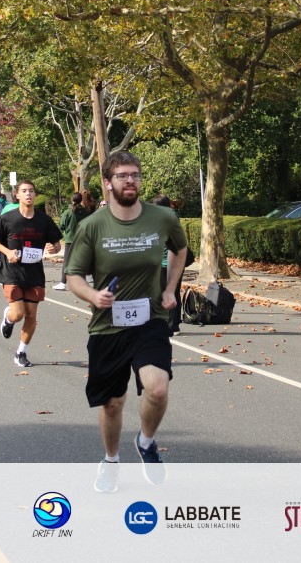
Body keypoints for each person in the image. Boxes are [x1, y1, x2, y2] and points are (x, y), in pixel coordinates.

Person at [65, 151, 188, 493]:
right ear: (108, 183)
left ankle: (146, 442)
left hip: (150, 319)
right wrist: (93, 296)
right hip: (108, 325)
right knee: (112, 403)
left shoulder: (162, 217)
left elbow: (180, 249)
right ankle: (111, 460)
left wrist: (170, 288)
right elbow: (74, 276)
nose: (130, 180)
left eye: (135, 174)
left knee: (158, 388)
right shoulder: (92, 226)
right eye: (122, 175)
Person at [0, 180, 63, 368]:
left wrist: (53, 248)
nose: (28, 194)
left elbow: (57, 244)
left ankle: (21, 352)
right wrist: (8, 252)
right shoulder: (8, 218)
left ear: (35, 195)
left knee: (31, 315)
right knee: (18, 314)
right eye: (24, 191)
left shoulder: (44, 220)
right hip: (12, 272)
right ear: (17, 195)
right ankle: (9, 318)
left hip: (34, 273)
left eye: (31, 191)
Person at [151, 194, 185, 335]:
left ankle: (171, 325)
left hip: (166, 262)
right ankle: (172, 324)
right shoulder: (172, 216)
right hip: (173, 262)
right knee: (172, 292)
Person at [53, 192, 91, 291]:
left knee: (67, 262)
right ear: (81, 200)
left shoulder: (68, 212)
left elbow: (61, 225)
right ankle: (83, 283)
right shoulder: (85, 212)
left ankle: (63, 283)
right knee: (81, 261)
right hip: (82, 239)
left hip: (70, 240)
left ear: (71, 199)